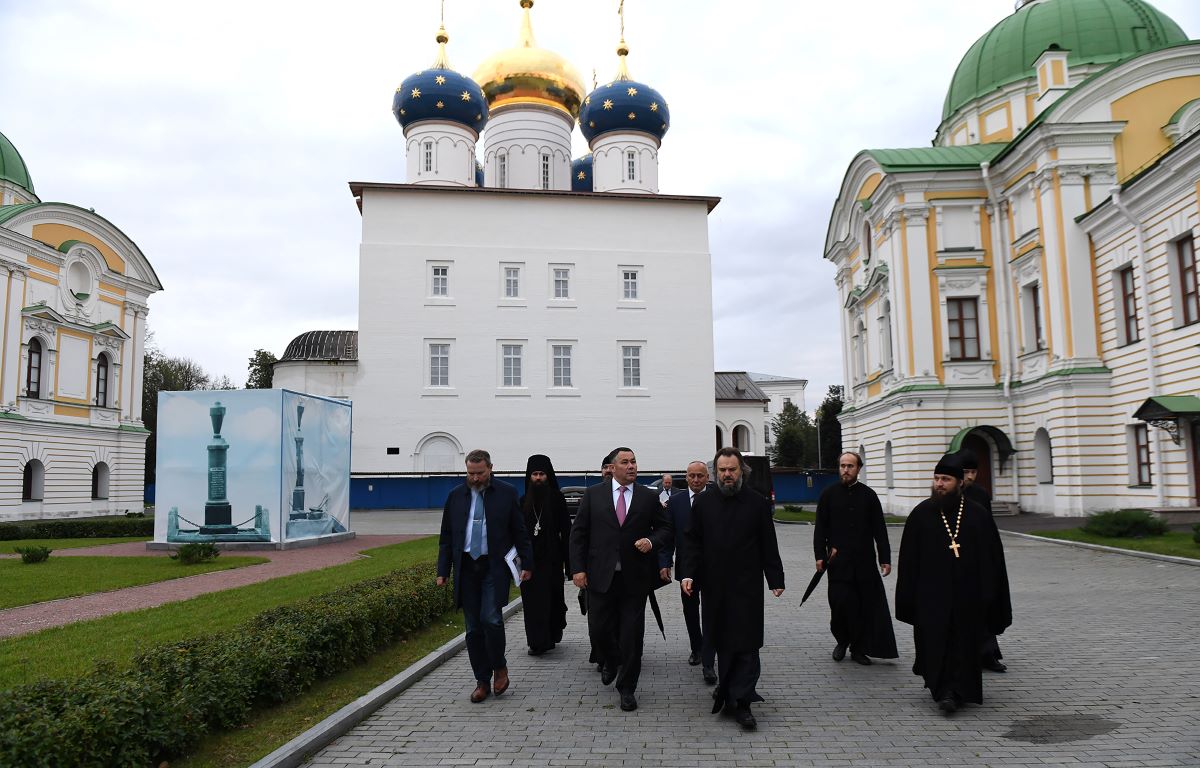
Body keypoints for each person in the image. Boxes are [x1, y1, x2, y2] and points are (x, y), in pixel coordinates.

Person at [895, 454, 1011, 714]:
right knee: (935, 643)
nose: (939, 484)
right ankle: (943, 690)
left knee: (964, 644)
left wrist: (990, 594)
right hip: (931, 596)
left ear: (959, 482)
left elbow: (992, 560)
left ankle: (959, 690)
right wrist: (908, 597)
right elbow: (909, 560)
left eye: (945, 479)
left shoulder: (978, 515)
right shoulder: (921, 514)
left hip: (967, 597)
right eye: (936, 478)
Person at [681, 448, 785, 730]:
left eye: (733, 470)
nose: (728, 475)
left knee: (748, 644)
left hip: (747, 587)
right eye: (723, 470)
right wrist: (688, 574)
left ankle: (743, 702)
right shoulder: (703, 503)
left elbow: (768, 543)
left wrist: (775, 578)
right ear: (716, 473)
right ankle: (729, 691)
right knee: (724, 643)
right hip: (715, 586)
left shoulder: (757, 503)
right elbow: (692, 542)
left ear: (742, 472)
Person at [570, 447, 672, 712]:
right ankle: (611, 659)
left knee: (632, 635)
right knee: (599, 630)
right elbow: (578, 534)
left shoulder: (647, 497)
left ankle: (627, 688)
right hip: (600, 577)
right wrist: (577, 569)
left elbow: (665, 528)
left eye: (634, 461)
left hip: (634, 579)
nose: (632, 466)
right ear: (612, 468)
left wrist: (651, 541)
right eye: (625, 462)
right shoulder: (593, 495)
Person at [437, 449, 533, 703]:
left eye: (480, 473)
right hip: (467, 567)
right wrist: (442, 570)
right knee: (473, 628)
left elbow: (519, 530)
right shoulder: (456, 496)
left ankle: (499, 668)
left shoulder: (506, 493)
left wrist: (528, 563)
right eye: (471, 473)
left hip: (493, 566)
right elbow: (446, 536)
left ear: (490, 468)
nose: (476, 478)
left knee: (491, 619)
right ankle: (481, 680)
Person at [813, 452, 898, 666]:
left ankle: (858, 648)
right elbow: (820, 529)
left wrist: (885, 558)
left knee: (862, 607)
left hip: (864, 563)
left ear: (859, 468)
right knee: (840, 604)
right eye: (842, 465)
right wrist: (819, 556)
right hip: (837, 562)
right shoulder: (828, 495)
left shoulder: (869, 496)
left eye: (850, 466)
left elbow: (880, 529)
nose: (845, 470)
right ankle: (842, 640)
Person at [659, 460, 717, 683]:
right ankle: (697, 648)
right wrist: (664, 561)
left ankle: (710, 658)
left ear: (707, 477)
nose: (695, 480)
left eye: (700, 476)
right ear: (686, 477)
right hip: (686, 567)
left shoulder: (716, 498)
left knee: (711, 611)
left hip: (713, 567)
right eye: (691, 476)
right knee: (690, 610)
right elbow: (668, 534)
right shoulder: (676, 502)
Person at [956, 449, 1007, 674]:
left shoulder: (981, 494)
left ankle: (989, 654)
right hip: (958, 562)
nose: (969, 477)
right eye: (965, 472)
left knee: (985, 608)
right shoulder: (950, 494)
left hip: (979, 561)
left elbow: (989, 528)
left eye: (973, 472)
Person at [520, 454, 571, 656]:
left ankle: (551, 634)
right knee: (532, 604)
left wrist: (570, 564)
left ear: (548, 476)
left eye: (542, 474)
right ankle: (537, 642)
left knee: (552, 599)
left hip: (552, 560)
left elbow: (567, 530)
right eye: (535, 474)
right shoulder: (523, 501)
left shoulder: (557, 498)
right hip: (529, 562)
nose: (538, 478)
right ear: (529, 476)